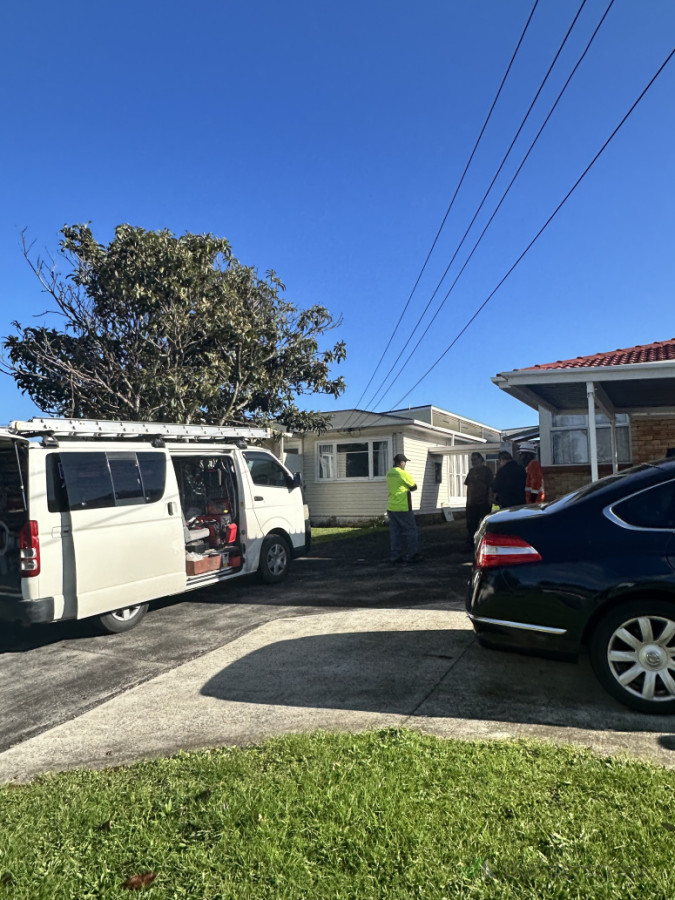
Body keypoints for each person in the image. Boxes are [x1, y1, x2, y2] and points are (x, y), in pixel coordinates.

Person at [386, 453, 422, 564]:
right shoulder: (403, 473)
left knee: (395, 532)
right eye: (405, 462)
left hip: (391, 506)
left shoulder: (389, 473)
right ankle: (412, 554)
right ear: (401, 462)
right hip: (403, 506)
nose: (405, 464)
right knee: (411, 530)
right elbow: (414, 487)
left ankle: (395, 555)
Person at [464, 452, 493, 547]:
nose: (473, 462)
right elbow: (469, 487)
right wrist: (468, 501)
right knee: (471, 525)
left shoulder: (487, 471)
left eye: (475, 459)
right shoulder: (471, 472)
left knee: (485, 524)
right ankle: (470, 544)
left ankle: (487, 543)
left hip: (483, 502)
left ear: (481, 459)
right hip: (472, 503)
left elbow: (490, 486)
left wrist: (489, 499)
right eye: (472, 460)